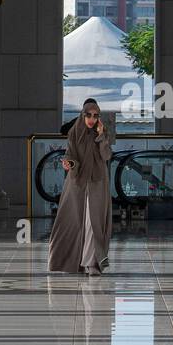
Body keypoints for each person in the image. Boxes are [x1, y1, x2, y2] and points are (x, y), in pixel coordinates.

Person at [48, 99, 114, 275]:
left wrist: (101, 137)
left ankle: (91, 263)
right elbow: (71, 155)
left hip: (98, 183)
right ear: (83, 115)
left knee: (94, 223)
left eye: (95, 116)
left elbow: (106, 156)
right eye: (89, 115)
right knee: (76, 222)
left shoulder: (103, 133)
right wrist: (69, 163)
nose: (92, 119)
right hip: (77, 184)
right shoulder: (74, 132)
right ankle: (74, 262)